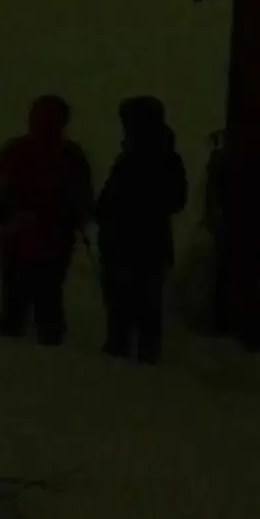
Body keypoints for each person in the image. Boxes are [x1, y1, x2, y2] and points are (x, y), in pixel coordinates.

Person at [0, 94, 93, 344]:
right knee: (47, 304)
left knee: (17, 304)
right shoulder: (70, 156)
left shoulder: (16, 151)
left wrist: (6, 218)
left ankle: (11, 354)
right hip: (48, 240)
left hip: (23, 238)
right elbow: (83, 201)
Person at [95, 95, 188, 362]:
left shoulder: (142, 157)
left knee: (129, 302)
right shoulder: (160, 156)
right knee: (138, 302)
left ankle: (126, 352)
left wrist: (113, 212)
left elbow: (171, 199)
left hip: (133, 241)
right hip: (144, 242)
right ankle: (137, 353)